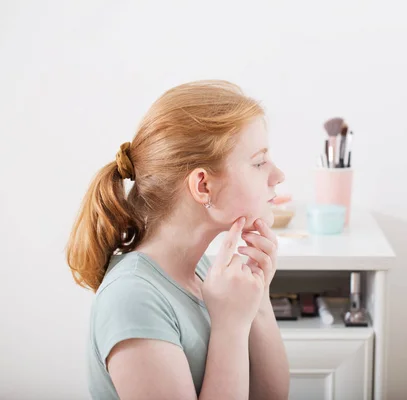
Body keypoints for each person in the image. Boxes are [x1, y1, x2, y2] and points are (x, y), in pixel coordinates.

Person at [66, 80, 289, 400]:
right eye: (258, 162)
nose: (278, 175)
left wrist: (259, 301)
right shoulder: (132, 299)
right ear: (203, 186)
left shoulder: (202, 270)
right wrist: (230, 328)